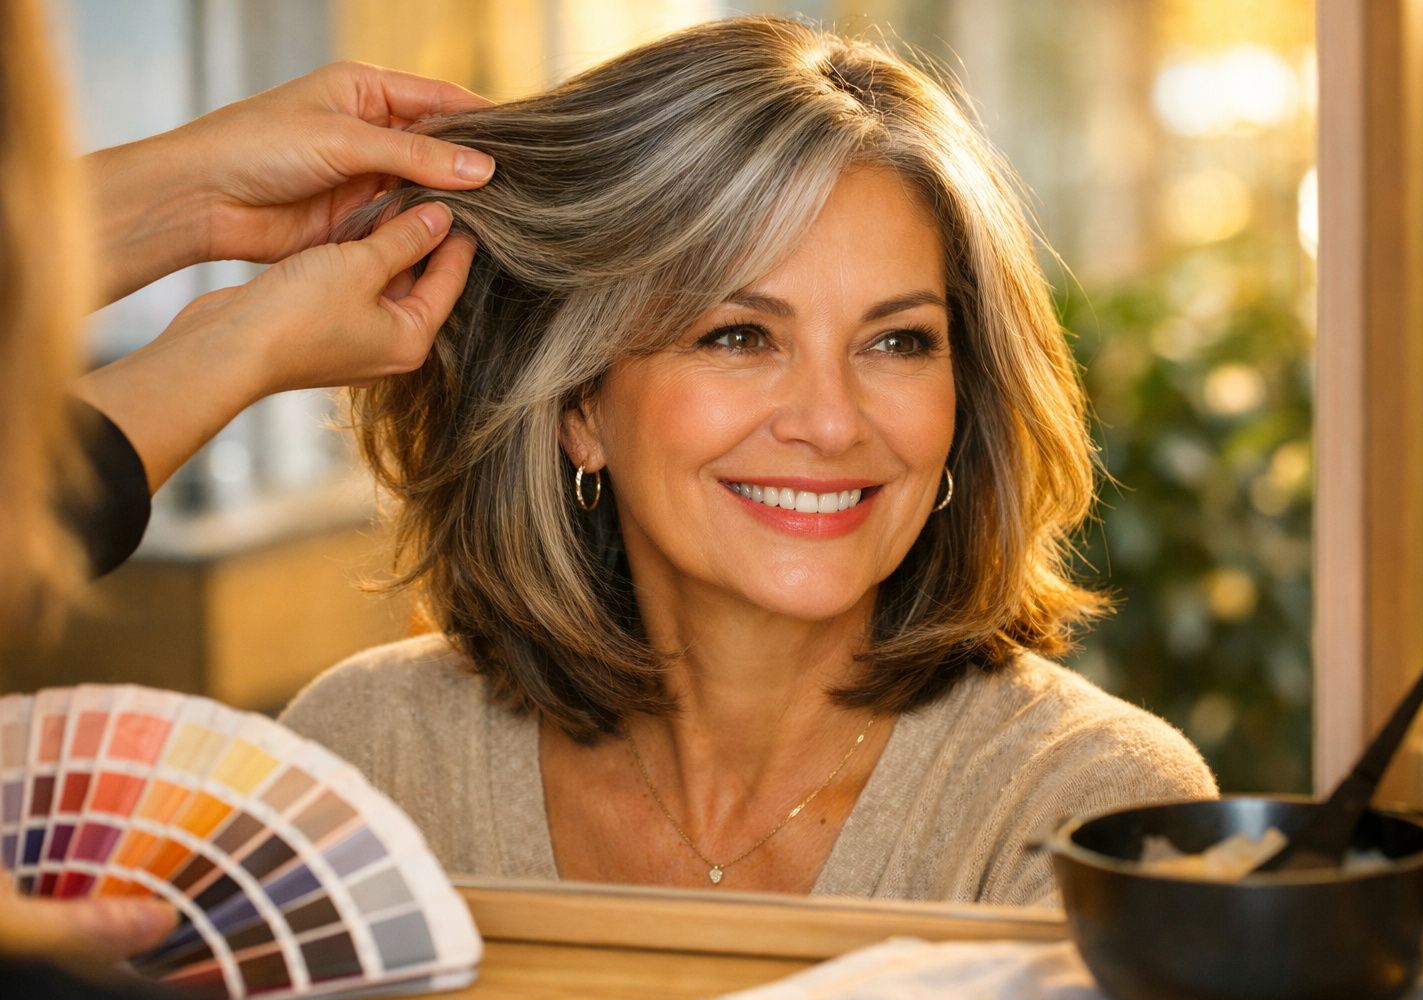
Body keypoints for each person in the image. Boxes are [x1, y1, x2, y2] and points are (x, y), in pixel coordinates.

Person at [280, 16, 1218, 906]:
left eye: (897, 343)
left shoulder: (1094, 811)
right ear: (578, 406)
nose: (831, 422)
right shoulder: (370, 760)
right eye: (738, 335)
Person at [0, 0, 493, 991]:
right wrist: (234, 338)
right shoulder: (378, 734)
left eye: (900, 341)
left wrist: (190, 203)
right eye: (738, 337)